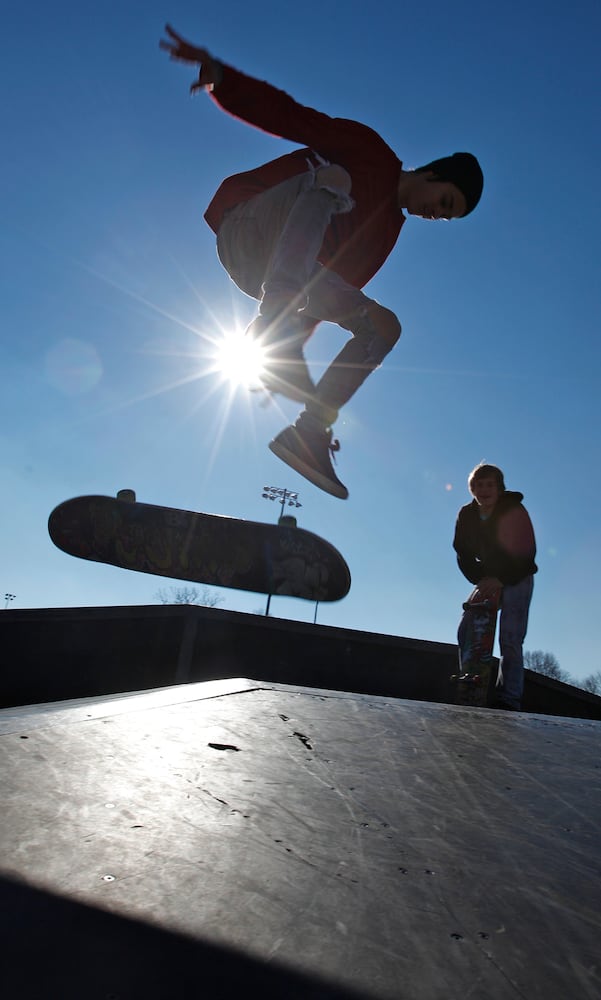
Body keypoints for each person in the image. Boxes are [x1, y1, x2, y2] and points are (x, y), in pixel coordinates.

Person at [160, 25, 484, 499]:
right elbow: (296, 118)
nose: (437, 214)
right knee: (334, 178)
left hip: (278, 278)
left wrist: (275, 349)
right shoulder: (371, 153)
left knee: (383, 326)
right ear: (434, 173)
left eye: (446, 217)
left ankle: (309, 432)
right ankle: (274, 313)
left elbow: (324, 291)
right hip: (248, 229)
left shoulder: (385, 237)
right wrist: (225, 80)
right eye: (445, 200)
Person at [453, 463, 537, 711]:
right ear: (472, 489)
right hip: (488, 577)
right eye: (479, 486)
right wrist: (480, 579)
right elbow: (462, 553)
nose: (484, 491)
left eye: (490, 485)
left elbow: (527, 553)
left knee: (510, 637)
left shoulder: (514, 510)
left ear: (499, 489)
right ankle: (470, 684)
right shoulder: (467, 515)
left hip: (518, 575)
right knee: (466, 627)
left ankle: (509, 699)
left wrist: (502, 579)